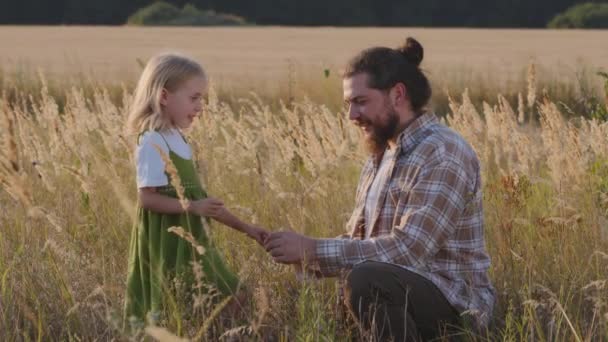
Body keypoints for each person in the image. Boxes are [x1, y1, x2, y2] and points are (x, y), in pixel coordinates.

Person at [264, 37, 495, 341]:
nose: (351, 116)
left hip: (457, 306)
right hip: (403, 296)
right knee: (361, 281)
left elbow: (409, 251)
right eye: (349, 105)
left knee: (367, 280)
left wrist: (314, 249)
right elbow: (365, 243)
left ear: (397, 94)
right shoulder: (380, 157)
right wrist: (303, 254)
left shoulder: (443, 152)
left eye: (360, 102)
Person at [123, 52, 267, 324]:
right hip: (168, 245)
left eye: (202, 98)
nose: (201, 106)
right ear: (164, 96)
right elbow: (146, 199)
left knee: (231, 297)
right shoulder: (153, 140)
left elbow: (204, 203)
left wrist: (249, 230)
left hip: (195, 242)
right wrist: (192, 207)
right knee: (181, 309)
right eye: (194, 98)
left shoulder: (179, 139)